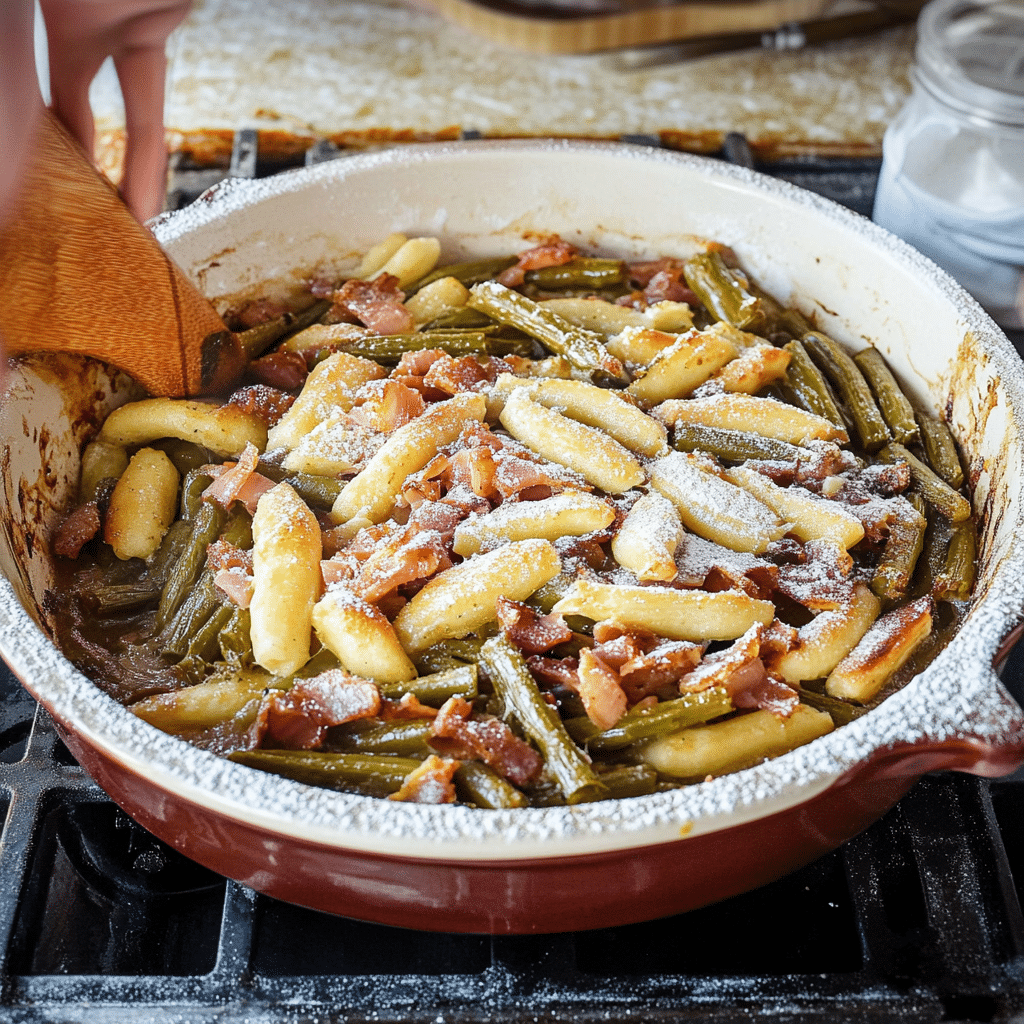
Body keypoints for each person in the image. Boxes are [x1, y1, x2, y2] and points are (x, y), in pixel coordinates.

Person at [0, 0, 190, 227]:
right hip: (159, 6)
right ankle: (142, 239)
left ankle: (77, 223)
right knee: (147, 127)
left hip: (84, 9)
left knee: (70, 94)